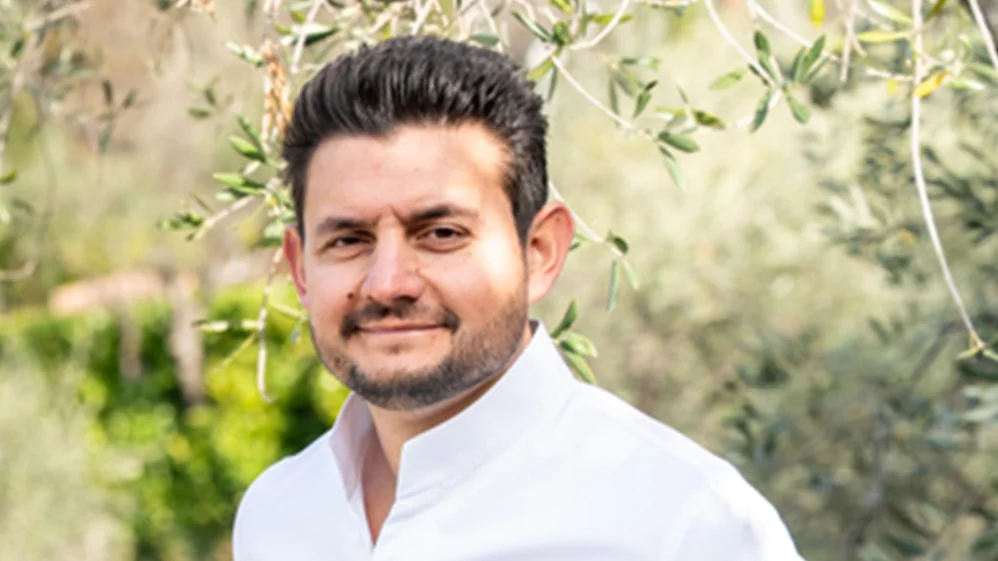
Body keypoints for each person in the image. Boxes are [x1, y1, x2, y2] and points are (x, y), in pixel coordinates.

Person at [233, 35, 804, 561]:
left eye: (441, 234)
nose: (387, 283)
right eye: (348, 240)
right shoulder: (276, 515)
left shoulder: (686, 527)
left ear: (540, 251)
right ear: (300, 269)